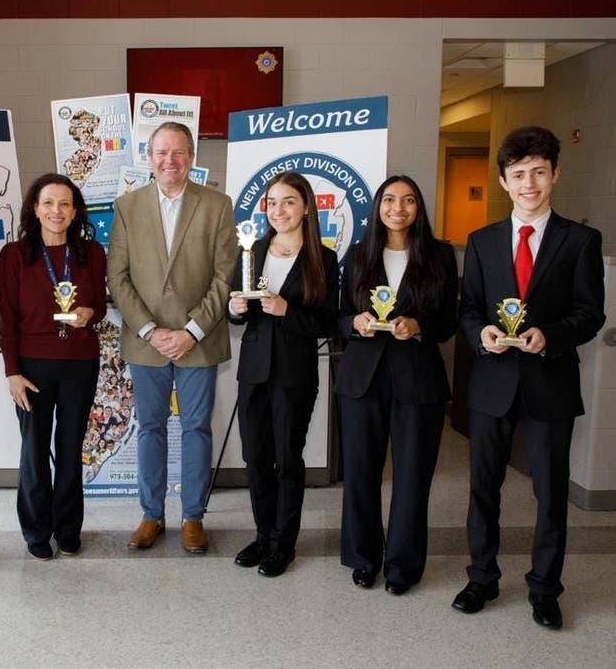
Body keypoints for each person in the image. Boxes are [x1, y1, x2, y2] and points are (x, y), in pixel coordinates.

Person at [453, 126, 605, 629]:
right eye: (518, 174)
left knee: (550, 493)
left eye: (539, 172)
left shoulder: (580, 240)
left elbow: (591, 313)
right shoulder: (482, 242)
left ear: (555, 174)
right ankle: (482, 578)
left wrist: (551, 336)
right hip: (492, 383)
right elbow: (469, 309)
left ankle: (545, 589)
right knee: (483, 489)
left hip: (549, 382)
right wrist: (482, 334)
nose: (529, 184)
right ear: (503, 180)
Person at [107, 121, 238, 553]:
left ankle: (192, 516)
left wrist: (192, 331)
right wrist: (150, 329)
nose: (170, 161)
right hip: (146, 342)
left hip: (199, 340)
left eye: (179, 152)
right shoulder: (127, 207)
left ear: (192, 158)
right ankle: (152, 514)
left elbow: (224, 276)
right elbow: (118, 276)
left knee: (196, 427)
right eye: (161, 152)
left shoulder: (217, 205)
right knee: (150, 427)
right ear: (149, 158)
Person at [334, 175, 458, 594]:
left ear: (418, 207)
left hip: (418, 379)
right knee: (360, 473)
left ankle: (403, 566)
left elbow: (449, 322)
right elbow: (339, 317)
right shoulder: (358, 254)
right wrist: (355, 322)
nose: (398, 208)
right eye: (389, 200)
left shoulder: (440, 255)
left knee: (412, 477)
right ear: (378, 207)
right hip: (362, 379)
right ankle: (363, 558)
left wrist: (419, 325)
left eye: (408, 200)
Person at [228, 171, 338, 577]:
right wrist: (234, 309)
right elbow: (235, 309)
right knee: (255, 458)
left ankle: (283, 543)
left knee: (287, 459)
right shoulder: (252, 249)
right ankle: (263, 536)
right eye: (272, 203)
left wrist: (288, 311)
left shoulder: (322, 258)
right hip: (253, 370)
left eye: (288, 201)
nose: (279, 210)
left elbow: (328, 322)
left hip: (294, 373)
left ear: (306, 207)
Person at [0, 173, 107, 560]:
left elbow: (100, 305)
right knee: (34, 449)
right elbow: (7, 318)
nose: (56, 211)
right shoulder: (14, 255)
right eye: (48, 203)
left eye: (64, 204)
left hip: (80, 362)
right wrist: (12, 372)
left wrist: (89, 313)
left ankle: (69, 528)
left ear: (75, 212)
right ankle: (37, 529)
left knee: (71, 447)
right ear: (35, 209)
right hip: (32, 366)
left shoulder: (92, 253)